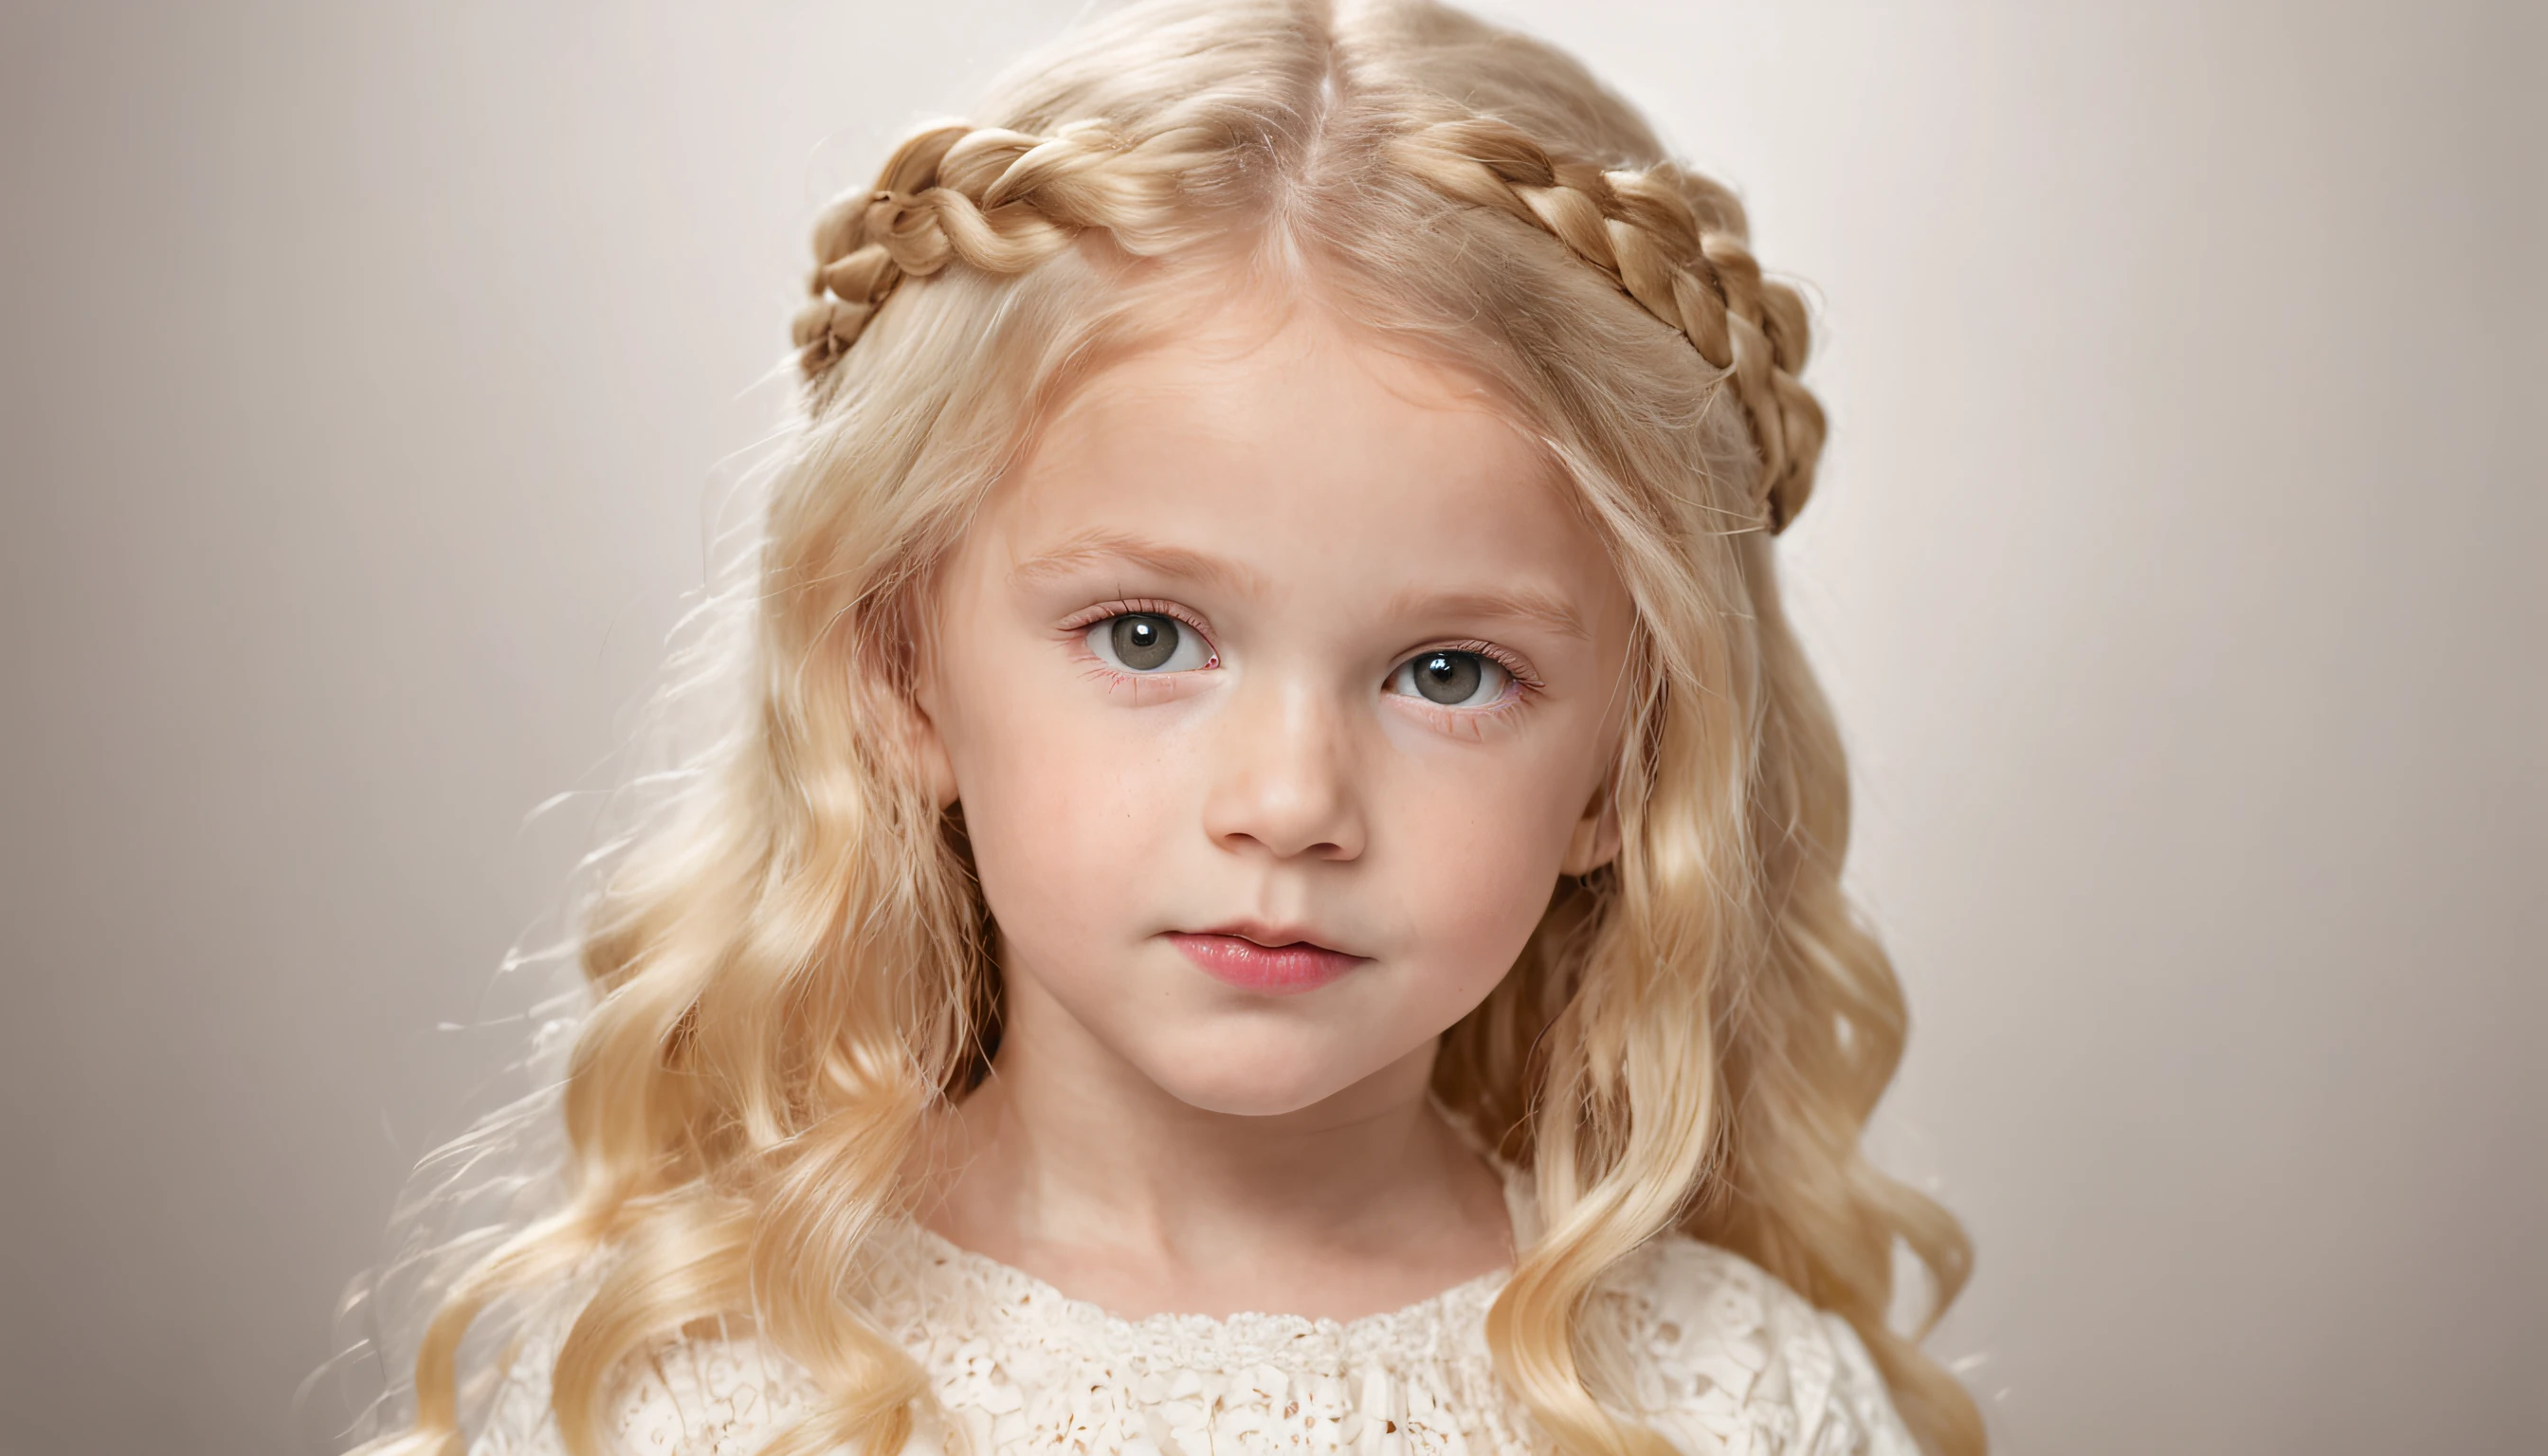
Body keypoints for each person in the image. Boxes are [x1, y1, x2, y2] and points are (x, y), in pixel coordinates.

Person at [350, 1, 1982, 1451]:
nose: (1289, 804)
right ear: (902, 674)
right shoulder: (678, 1389)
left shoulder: (1733, 1406)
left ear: (1629, 765)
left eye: (1450, 673)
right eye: (1149, 635)